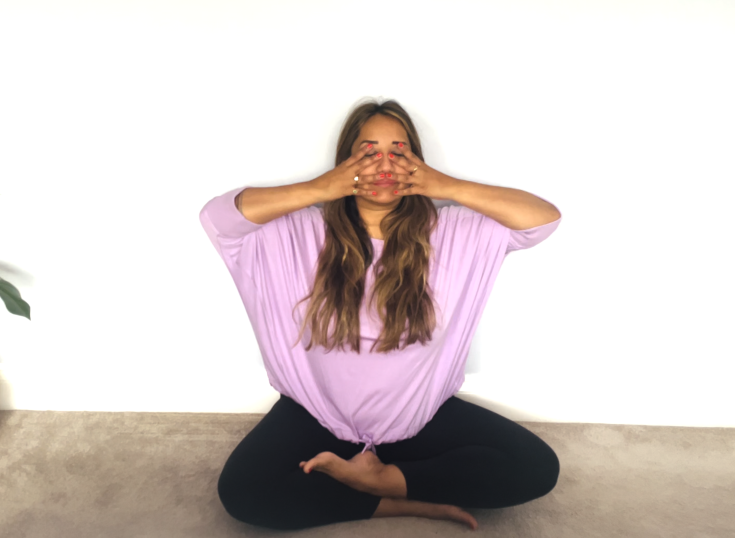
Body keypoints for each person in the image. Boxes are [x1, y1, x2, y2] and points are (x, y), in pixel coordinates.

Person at [199, 99, 563, 531]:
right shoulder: (295, 232)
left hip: (417, 416)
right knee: (243, 494)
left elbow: (541, 219)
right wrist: (323, 187)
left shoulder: (453, 232)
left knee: (535, 468)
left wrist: (443, 184)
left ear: (418, 163)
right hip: (316, 414)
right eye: (369, 151)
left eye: (399, 151)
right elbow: (218, 218)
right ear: (345, 161)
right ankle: (401, 499)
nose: (384, 164)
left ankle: (384, 480)